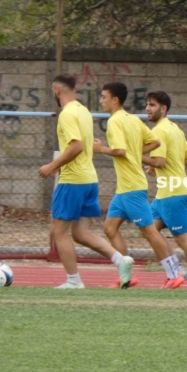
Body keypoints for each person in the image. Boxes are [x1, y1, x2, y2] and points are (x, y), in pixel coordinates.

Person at [38, 74, 134, 289]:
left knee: (58, 231)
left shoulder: (67, 114)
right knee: (80, 233)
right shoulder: (83, 111)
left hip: (73, 181)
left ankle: (74, 281)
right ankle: (121, 260)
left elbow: (76, 146)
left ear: (56, 90)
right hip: (89, 180)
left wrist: (52, 166)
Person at [93, 82, 186, 289]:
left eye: (103, 97)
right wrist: (135, 151)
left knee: (150, 231)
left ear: (115, 100)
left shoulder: (115, 121)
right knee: (110, 228)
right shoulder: (133, 119)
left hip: (132, 187)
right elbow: (155, 142)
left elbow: (119, 151)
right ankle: (126, 276)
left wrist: (101, 149)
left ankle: (174, 274)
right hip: (124, 189)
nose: (101, 101)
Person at [142, 90, 187, 290]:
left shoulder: (159, 131)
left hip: (172, 193)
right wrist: (160, 167)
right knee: (149, 230)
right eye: (147, 104)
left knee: (182, 238)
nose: (148, 108)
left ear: (164, 108)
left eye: (152, 105)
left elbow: (159, 160)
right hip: (164, 193)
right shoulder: (175, 129)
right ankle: (176, 270)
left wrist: (134, 155)